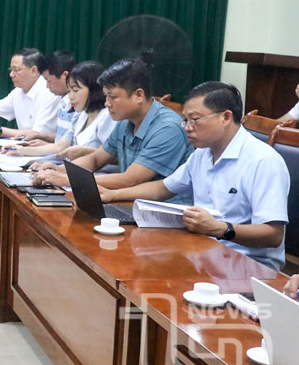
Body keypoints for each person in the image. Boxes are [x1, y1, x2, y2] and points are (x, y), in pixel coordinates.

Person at [99, 82, 290, 271]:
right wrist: (113, 194)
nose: (187, 128)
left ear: (225, 117)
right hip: (202, 250)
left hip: (248, 265)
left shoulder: (263, 161)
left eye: (195, 120)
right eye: (186, 120)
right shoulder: (202, 153)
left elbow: (273, 235)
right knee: (128, 257)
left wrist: (220, 228)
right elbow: (163, 188)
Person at [32, 58, 192, 189]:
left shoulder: (167, 128)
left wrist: (66, 180)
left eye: (113, 97)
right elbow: (96, 159)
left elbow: (130, 180)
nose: (107, 103)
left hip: (164, 213)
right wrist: (58, 170)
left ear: (138, 95)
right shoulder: (125, 123)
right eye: (105, 96)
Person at [6, 61, 117, 159]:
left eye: (75, 90)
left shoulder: (107, 118)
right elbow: (59, 146)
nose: (71, 96)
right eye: (70, 91)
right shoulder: (79, 115)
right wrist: (20, 150)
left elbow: (114, 157)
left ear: (94, 90)